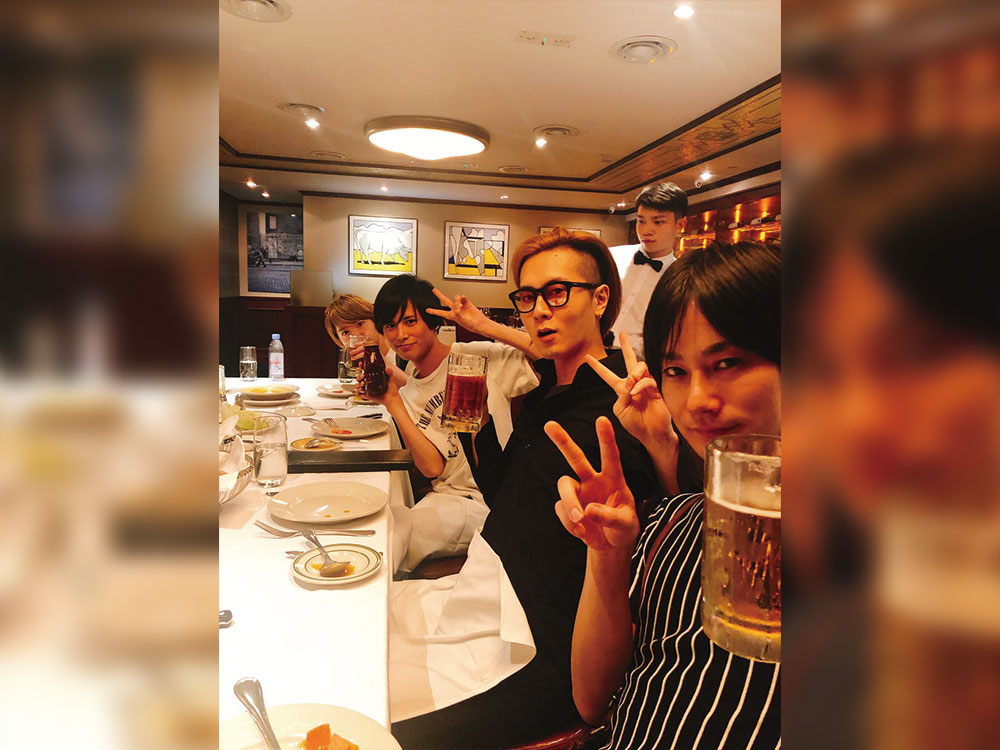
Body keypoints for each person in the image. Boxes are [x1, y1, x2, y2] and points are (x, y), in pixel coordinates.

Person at [389, 228, 660, 748]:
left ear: (600, 298)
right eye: (528, 297)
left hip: (539, 637)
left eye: (557, 293)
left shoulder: (629, 398)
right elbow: (504, 494)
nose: (539, 311)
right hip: (483, 589)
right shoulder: (545, 391)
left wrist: (663, 443)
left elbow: (675, 498)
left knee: (375, 721)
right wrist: (474, 428)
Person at [546, 239, 781, 749]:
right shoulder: (671, 520)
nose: (696, 401)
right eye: (675, 371)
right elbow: (591, 701)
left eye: (728, 362)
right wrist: (607, 555)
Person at [363, 275, 538, 574]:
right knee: (386, 524)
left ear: (433, 322)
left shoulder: (476, 356)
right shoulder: (409, 392)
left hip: (493, 498)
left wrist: (483, 326)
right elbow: (432, 467)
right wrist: (392, 402)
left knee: (394, 539)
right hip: (448, 498)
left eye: (410, 321)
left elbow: (547, 355)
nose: (400, 335)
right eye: (390, 326)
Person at [608, 181, 688, 354]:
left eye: (658, 222)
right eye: (641, 221)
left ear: (680, 225)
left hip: (636, 362)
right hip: (591, 352)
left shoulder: (680, 279)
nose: (646, 230)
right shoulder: (612, 257)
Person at [323, 293, 407, 387]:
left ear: (375, 321)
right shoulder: (359, 365)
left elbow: (418, 390)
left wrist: (381, 363)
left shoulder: (403, 347)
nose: (356, 335)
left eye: (360, 324)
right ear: (339, 341)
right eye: (345, 332)